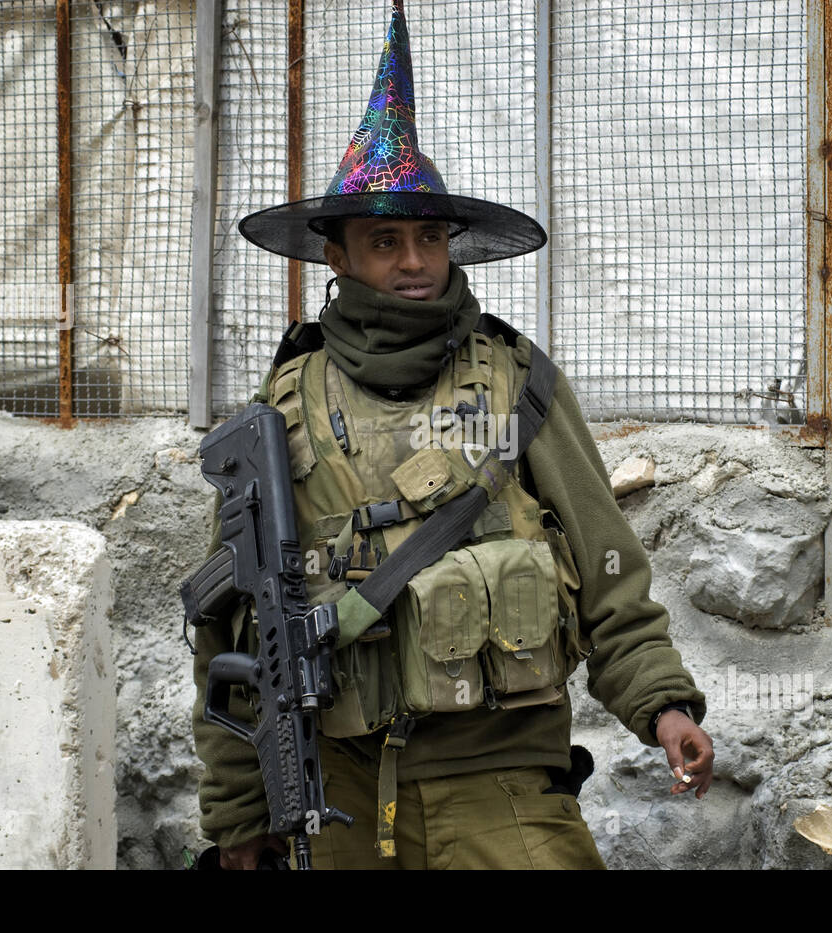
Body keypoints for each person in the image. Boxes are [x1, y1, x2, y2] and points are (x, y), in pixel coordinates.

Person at [191, 0, 712, 870]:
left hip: (502, 781)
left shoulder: (514, 379)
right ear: (339, 258)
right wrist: (242, 813)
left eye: (429, 237)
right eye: (385, 239)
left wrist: (664, 706)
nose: (414, 261)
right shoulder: (283, 405)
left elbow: (606, 561)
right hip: (339, 786)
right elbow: (234, 628)